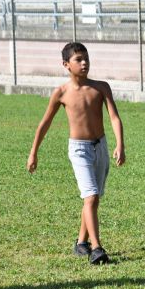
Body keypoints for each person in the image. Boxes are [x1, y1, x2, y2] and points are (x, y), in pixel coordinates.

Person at [27, 42, 125, 265]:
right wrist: (34, 152)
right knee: (90, 196)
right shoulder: (61, 93)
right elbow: (44, 124)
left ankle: (81, 242)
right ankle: (97, 248)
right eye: (78, 59)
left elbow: (114, 118)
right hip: (78, 149)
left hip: (99, 146)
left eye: (86, 58)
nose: (84, 63)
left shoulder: (101, 87)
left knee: (94, 198)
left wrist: (120, 144)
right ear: (66, 65)